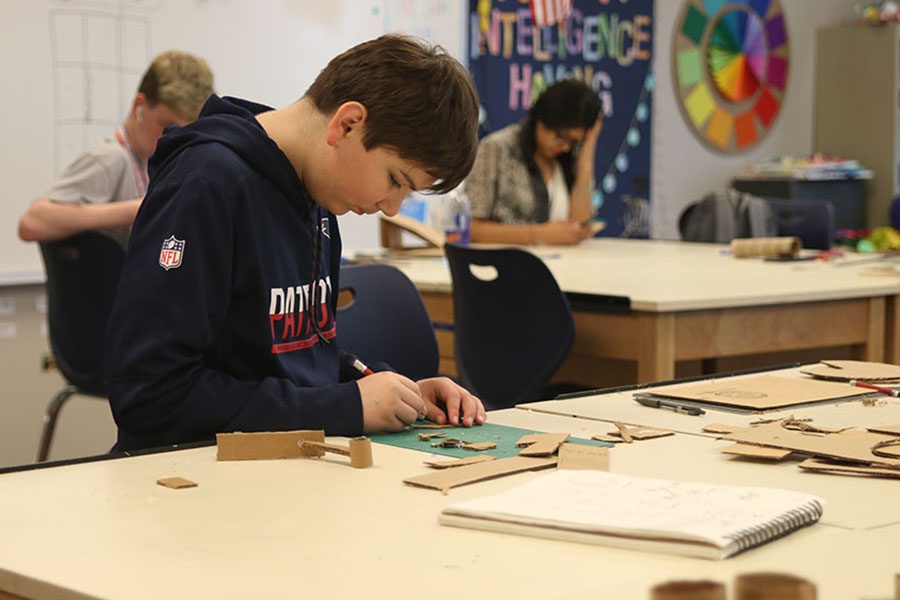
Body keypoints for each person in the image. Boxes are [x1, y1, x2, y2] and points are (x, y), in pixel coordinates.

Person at [104, 35, 486, 451]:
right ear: (347, 124)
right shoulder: (207, 186)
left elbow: (291, 358)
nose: (391, 207)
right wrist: (342, 407)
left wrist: (383, 387)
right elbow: (150, 396)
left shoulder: (318, 195)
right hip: (188, 481)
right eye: (396, 179)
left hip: (282, 469)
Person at [18, 50, 215, 247]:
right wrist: (139, 208)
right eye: (167, 126)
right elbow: (32, 222)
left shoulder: (146, 162)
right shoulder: (112, 158)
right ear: (140, 105)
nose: (174, 139)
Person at [464, 78, 603, 245]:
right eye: (561, 136)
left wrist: (587, 154)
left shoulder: (568, 157)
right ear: (542, 118)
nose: (565, 147)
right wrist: (538, 234)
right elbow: (471, 229)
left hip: (564, 266)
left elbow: (578, 226)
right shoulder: (497, 148)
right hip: (507, 265)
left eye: (574, 141)